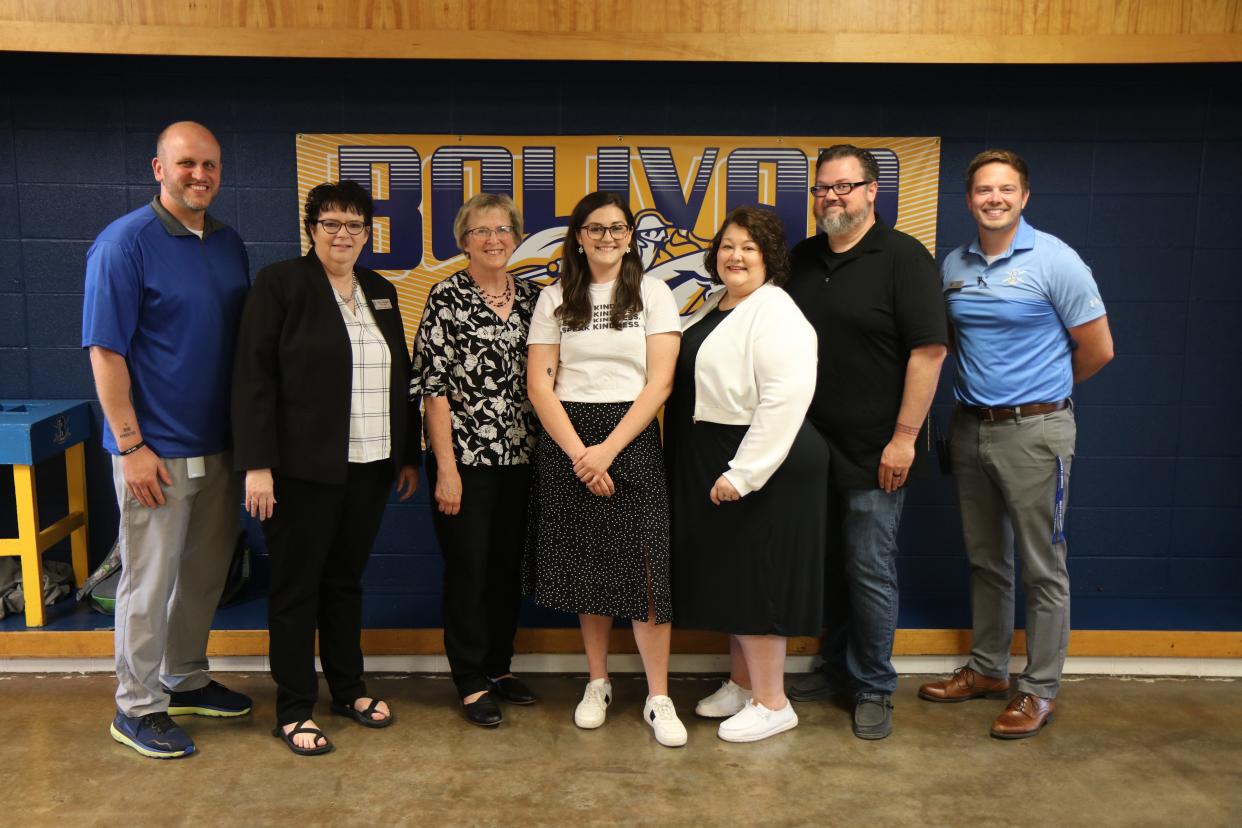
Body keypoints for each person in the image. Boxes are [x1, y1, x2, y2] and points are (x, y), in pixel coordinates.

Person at [918, 149, 1113, 739]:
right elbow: (946, 343)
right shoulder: (954, 263)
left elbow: (1098, 349)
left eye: (1005, 189)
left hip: (1037, 432)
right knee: (985, 560)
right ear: (969, 198)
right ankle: (987, 671)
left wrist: (1038, 395)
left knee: (1042, 568)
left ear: (1023, 197)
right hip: (971, 427)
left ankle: (1040, 689)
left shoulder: (1056, 261)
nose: (993, 199)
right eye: (983, 190)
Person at [231, 180, 421, 755]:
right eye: (332, 223)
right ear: (311, 229)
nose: (344, 234)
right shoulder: (281, 285)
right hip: (299, 470)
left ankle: (348, 688)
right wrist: (257, 465)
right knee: (296, 589)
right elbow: (253, 377)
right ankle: (293, 708)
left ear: (368, 233)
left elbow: (399, 377)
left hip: (368, 465)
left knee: (344, 582)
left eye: (355, 225)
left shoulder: (379, 289)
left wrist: (407, 455)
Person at [83, 121, 253, 759]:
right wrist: (130, 447)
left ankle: (183, 678)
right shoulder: (124, 244)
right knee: (148, 584)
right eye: (186, 164)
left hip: (223, 445)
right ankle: (137, 705)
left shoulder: (229, 242)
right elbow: (105, 352)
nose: (199, 175)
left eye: (209, 165)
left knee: (206, 574)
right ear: (159, 168)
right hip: (156, 452)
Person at [785, 145, 948, 741]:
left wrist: (904, 438)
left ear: (873, 190)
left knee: (869, 569)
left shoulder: (903, 258)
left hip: (877, 449)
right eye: (823, 188)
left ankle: (875, 684)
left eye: (845, 187)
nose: (833, 197)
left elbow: (929, 351)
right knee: (827, 565)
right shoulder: (802, 259)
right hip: (807, 449)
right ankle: (834, 668)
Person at [523, 191, 686, 747]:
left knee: (644, 569)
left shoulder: (654, 293)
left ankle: (659, 696)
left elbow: (660, 383)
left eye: (618, 228)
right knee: (590, 567)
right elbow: (540, 385)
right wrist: (579, 455)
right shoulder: (553, 298)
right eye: (595, 229)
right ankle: (598, 682)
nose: (607, 238)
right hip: (568, 437)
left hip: (631, 435)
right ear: (578, 236)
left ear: (629, 235)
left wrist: (607, 451)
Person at [666, 206, 827, 743]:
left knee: (758, 581)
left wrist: (745, 472)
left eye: (749, 248)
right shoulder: (716, 303)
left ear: (769, 258)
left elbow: (785, 398)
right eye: (728, 245)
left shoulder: (776, 310)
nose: (735, 256)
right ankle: (742, 683)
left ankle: (773, 701)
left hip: (759, 458)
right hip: (713, 450)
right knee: (733, 576)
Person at [412, 193, 541, 727]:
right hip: (464, 461)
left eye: (503, 230)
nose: (494, 240)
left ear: (516, 237)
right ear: (463, 241)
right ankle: (468, 678)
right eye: (481, 231)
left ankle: (498, 667)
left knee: (508, 570)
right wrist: (446, 468)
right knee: (468, 570)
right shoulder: (446, 297)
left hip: (525, 459)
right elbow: (433, 389)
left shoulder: (535, 298)